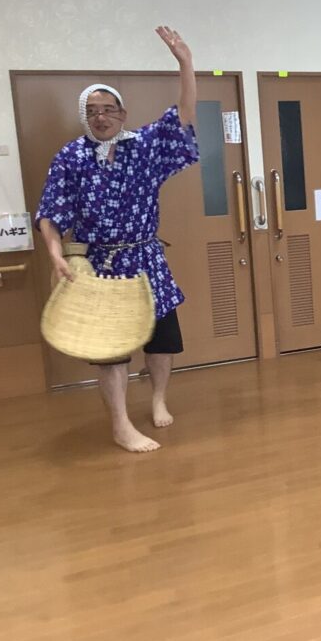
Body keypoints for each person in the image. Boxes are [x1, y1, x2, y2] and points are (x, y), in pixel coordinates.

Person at [35, 26, 198, 453]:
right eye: (92, 111)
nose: (101, 117)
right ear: (84, 117)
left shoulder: (144, 146)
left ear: (123, 114)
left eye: (109, 109)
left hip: (147, 260)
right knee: (110, 350)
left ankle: (158, 399)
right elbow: (50, 213)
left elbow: (183, 115)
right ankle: (121, 424)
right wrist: (55, 256)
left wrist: (185, 63)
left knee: (162, 340)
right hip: (101, 265)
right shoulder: (71, 157)